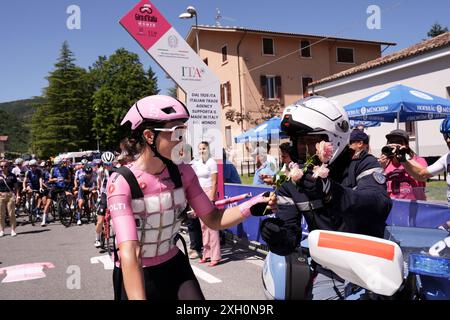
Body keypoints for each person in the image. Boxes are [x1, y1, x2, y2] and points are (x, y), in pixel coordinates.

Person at [107, 95, 276, 300]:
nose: (183, 141)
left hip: (174, 266)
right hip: (137, 271)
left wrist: (251, 206)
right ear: (149, 136)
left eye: (184, 133)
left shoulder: (183, 172)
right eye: (177, 133)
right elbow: (130, 252)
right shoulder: (121, 182)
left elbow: (213, 218)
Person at [261, 96, 392, 300]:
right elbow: (291, 235)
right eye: (300, 142)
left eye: (312, 141)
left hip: (374, 265)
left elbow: (379, 205)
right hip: (329, 271)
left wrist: (331, 192)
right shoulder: (291, 181)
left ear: (334, 138)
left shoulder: (361, 163)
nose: (305, 149)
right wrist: (277, 236)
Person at [400, 118, 450, 232]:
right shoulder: (447, 158)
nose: (447, 140)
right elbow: (421, 174)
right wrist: (403, 160)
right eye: (445, 135)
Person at [191, 141, 221, 267]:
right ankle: (206, 254)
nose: (202, 151)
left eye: (204, 148)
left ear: (208, 149)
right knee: (203, 226)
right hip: (199, 194)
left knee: (212, 226)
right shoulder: (198, 163)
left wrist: (212, 198)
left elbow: (215, 182)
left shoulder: (212, 163)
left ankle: (216, 256)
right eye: (200, 149)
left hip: (209, 193)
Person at [379, 129, 427, 201]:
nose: (394, 145)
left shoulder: (418, 160)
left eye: (399, 142)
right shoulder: (385, 163)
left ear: (406, 145)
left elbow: (424, 176)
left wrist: (404, 158)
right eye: (391, 142)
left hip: (415, 208)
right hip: (393, 208)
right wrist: (380, 168)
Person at [94, 151, 115, 248]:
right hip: (104, 195)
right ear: (103, 163)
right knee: (100, 221)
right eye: (106, 164)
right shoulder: (100, 171)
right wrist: (99, 193)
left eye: (110, 164)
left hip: (114, 195)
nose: (109, 166)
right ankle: (97, 238)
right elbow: (99, 182)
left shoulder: (117, 170)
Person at [0, 161, 19, 237]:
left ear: (8, 167)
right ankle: (1, 230)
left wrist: (18, 196)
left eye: (5, 166)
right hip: (0, 195)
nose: (3, 168)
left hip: (10, 195)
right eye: (1, 166)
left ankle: (13, 230)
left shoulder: (12, 175)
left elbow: (16, 187)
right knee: (1, 214)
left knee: (11, 213)